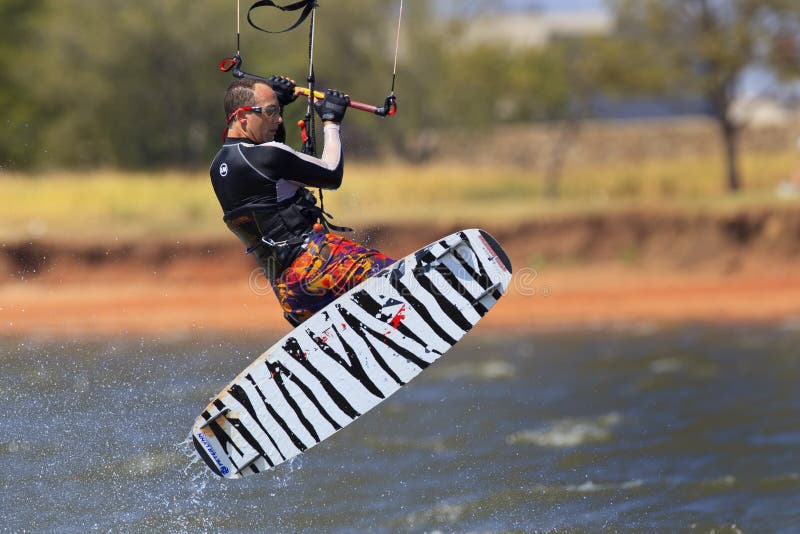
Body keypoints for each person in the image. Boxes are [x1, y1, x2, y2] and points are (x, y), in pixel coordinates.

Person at [210, 77, 394, 326]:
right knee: (398, 282)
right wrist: (331, 121)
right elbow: (331, 174)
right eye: (271, 111)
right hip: (322, 266)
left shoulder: (218, 168)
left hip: (291, 294)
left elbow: (271, 177)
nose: (278, 119)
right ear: (243, 118)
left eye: (277, 111)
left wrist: (280, 103)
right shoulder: (269, 156)